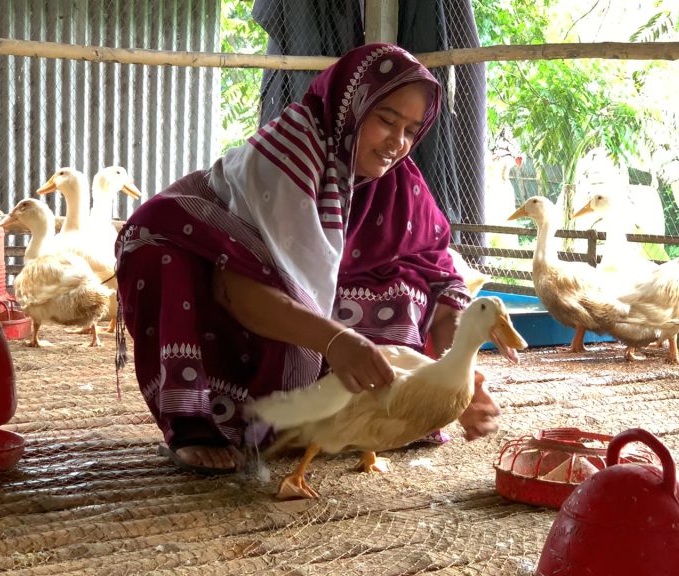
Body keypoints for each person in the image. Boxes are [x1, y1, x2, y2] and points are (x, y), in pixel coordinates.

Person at [115, 43, 500, 474]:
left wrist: (456, 373)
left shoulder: (400, 185)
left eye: (412, 130)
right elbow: (240, 288)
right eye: (386, 120)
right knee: (168, 256)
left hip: (307, 304)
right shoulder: (292, 156)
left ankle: (366, 418)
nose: (399, 142)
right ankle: (197, 421)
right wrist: (336, 341)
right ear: (351, 109)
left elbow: (442, 277)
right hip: (220, 281)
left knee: (402, 282)